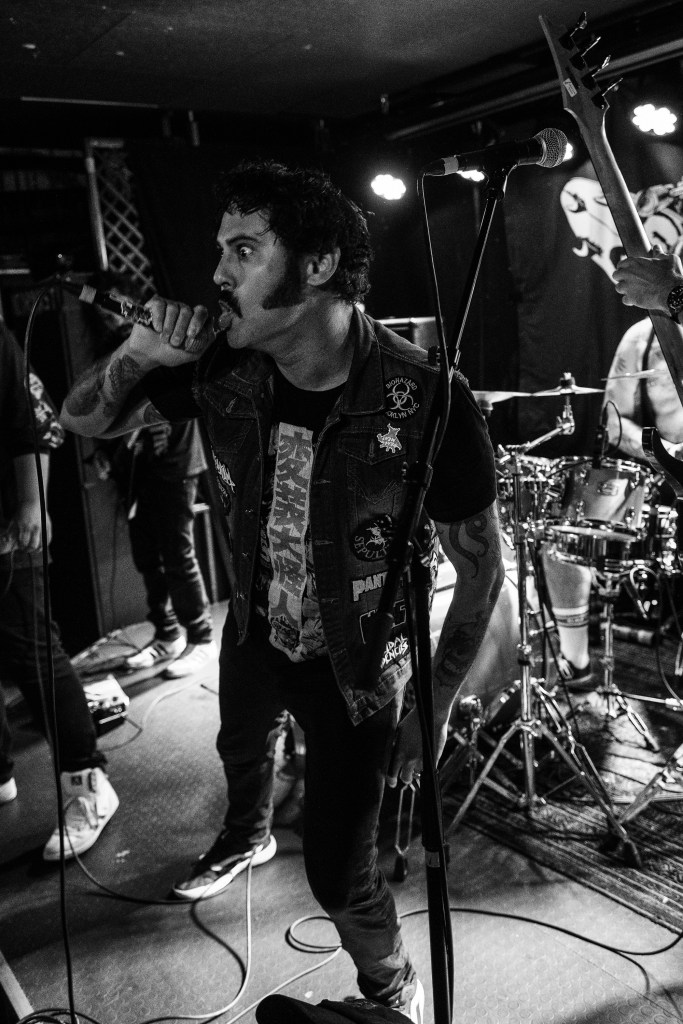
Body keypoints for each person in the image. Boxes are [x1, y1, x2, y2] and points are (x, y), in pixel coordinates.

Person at [59, 159, 504, 1021]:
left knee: (340, 872)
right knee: (239, 747)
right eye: (220, 249)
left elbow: (481, 565)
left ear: (319, 264)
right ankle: (246, 835)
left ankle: (392, 989)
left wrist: (437, 702)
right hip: (254, 634)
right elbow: (84, 418)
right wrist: (139, 353)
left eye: (244, 249)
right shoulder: (223, 368)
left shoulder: (426, 398)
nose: (218, 273)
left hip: (358, 670)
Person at [0, 319, 118, 860]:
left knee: (34, 653)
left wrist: (32, 503)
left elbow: (30, 416)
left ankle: (87, 784)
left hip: (6, 530)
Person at [86, 273, 218, 678]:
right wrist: (102, 455)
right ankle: (167, 634)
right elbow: (107, 412)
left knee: (178, 554)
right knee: (147, 557)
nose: (111, 315)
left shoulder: (161, 333)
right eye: (104, 309)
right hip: (134, 469)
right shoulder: (111, 348)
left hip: (174, 462)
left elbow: (183, 393)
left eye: (117, 304)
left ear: (133, 300)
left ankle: (201, 638)